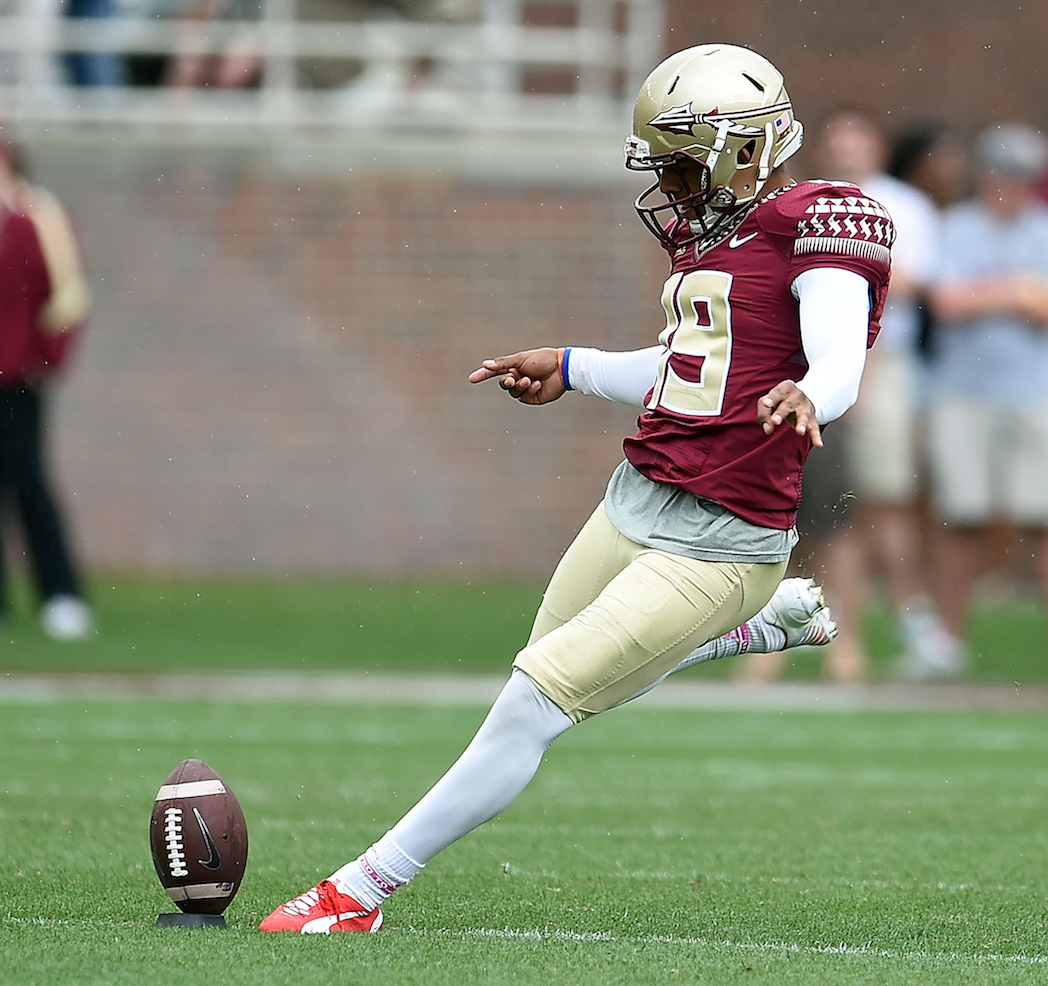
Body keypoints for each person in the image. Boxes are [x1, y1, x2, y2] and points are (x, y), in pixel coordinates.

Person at [258, 43, 894, 934]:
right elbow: (686, 368)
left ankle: (359, 889)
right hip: (635, 496)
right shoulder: (721, 238)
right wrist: (571, 365)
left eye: (679, 161)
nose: (668, 182)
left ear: (744, 147)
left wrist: (808, 394)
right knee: (549, 681)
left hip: (723, 537)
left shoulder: (818, 219)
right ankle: (744, 631)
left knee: (533, 704)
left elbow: (838, 359)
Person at [743, 108, 950, 683]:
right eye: (838, 141)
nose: (848, 152)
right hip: (794, 378)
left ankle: (857, 636)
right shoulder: (800, 203)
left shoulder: (899, 207)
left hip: (867, 376)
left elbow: (902, 288)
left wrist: (851, 383)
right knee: (782, 513)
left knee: (857, 512)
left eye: (859, 141)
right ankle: (771, 645)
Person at [926, 123, 1048, 668]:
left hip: (1033, 392)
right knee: (961, 518)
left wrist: (987, 294)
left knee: (1041, 522)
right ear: (983, 174)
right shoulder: (953, 228)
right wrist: (1017, 292)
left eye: (1021, 177)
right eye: (1002, 173)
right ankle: (947, 642)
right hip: (962, 392)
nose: (1010, 186)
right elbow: (946, 303)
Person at [0, 141, 93, 640]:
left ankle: (60, 594)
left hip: (16, 378)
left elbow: (67, 295)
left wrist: (42, 357)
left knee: (29, 483)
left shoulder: (37, 216)